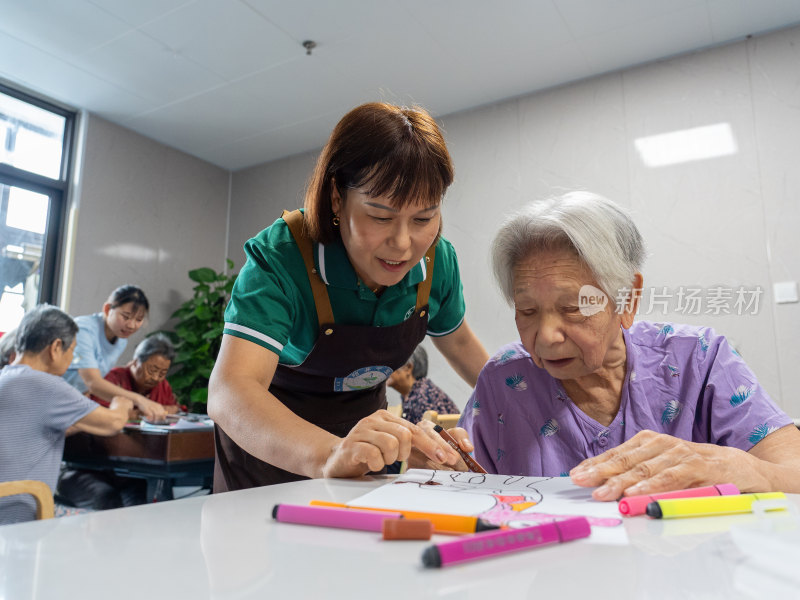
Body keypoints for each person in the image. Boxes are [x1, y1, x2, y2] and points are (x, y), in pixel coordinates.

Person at [209, 102, 489, 490]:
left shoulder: (437, 262)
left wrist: (534, 403)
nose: (404, 245)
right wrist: (330, 455)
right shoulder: (283, 258)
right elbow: (231, 391)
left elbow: (459, 342)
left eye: (424, 219)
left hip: (360, 463)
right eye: (381, 217)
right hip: (266, 456)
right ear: (337, 198)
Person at [457, 191, 800, 500]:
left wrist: (735, 467)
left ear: (628, 299)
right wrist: (433, 464)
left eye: (572, 307)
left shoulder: (700, 357)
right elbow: (459, 490)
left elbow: (793, 473)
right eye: (527, 310)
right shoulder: (503, 381)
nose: (546, 336)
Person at [0, 305, 133, 525]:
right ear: (55, 347)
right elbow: (113, 424)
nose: (72, 359)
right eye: (72, 351)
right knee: (107, 522)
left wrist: (81, 418)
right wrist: (122, 403)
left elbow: (33, 429)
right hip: (24, 512)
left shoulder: (7, 378)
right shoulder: (47, 385)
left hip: (6, 504)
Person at [62, 285, 167, 421]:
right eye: (126, 317)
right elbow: (92, 382)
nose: (131, 325)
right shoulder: (83, 329)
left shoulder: (121, 339)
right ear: (107, 309)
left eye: (138, 320)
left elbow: (89, 386)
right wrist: (139, 400)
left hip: (72, 403)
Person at [91, 333, 181, 415]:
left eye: (162, 373)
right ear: (135, 363)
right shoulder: (111, 379)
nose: (156, 378)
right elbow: (100, 414)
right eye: (152, 371)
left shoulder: (163, 386)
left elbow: (175, 409)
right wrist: (145, 413)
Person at [387, 345, 460, 424]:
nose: (384, 370)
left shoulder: (424, 397)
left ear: (408, 368)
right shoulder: (415, 393)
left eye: (389, 363)